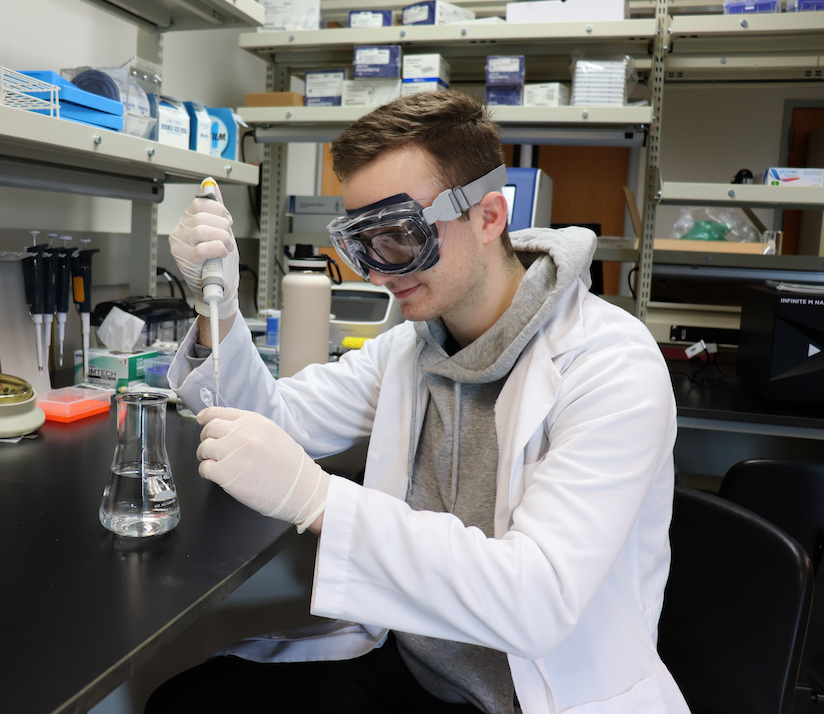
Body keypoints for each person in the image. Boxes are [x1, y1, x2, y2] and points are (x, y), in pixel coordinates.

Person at [149, 91, 688, 713]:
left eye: (399, 236)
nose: (379, 271)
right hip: (416, 668)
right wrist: (212, 299)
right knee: (188, 703)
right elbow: (270, 425)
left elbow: (536, 601)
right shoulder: (413, 348)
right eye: (361, 243)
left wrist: (319, 499)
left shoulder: (611, 365)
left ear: (488, 217)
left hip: (534, 698)